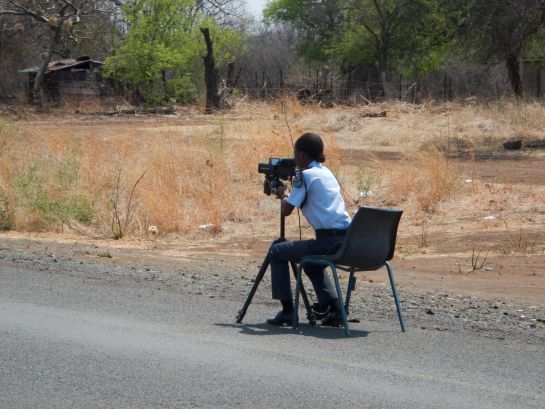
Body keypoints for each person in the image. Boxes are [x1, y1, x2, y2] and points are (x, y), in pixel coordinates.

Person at [266, 132, 351, 326]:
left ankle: (288, 311)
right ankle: (334, 308)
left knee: (277, 250)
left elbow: (286, 210)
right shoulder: (327, 172)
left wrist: (283, 193)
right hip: (347, 241)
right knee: (312, 264)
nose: (295, 160)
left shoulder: (303, 175)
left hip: (327, 241)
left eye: (295, 155)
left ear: (303, 155)